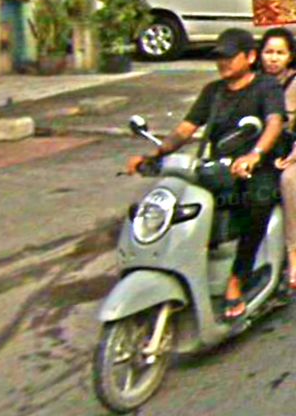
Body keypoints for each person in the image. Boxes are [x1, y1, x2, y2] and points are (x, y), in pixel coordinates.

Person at [127, 28, 285, 320]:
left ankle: (237, 278)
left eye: (230, 57)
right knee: (179, 202)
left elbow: (274, 122)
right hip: (219, 166)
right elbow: (185, 129)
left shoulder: (266, 87)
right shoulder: (213, 91)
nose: (223, 63)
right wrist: (155, 155)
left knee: (257, 202)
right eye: (219, 57)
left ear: (250, 57)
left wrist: (255, 154)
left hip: (257, 167)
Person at [257, 27, 296, 288]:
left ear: (290, 56)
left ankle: (293, 254)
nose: (273, 58)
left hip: (290, 152)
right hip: (260, 151)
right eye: (268, 52)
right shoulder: (253, 82)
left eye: (280, 53)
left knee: (289, 181)